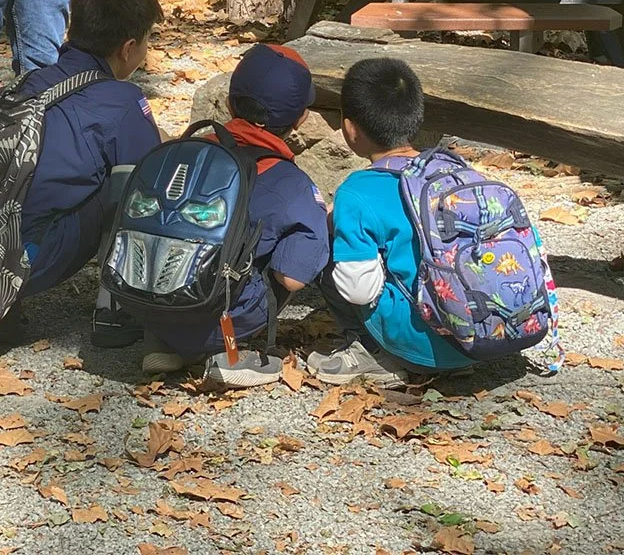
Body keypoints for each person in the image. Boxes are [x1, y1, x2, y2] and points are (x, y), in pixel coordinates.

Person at [137, 44, 330, 387]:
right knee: (293, 253)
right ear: (301, 119)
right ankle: (223, 352)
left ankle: (166, 341)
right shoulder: (292, 185)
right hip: (214, 314)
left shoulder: (185, 152)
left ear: (228, 103)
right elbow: (293, 279)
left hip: (145, 299)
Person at [0, 0, 163, 344]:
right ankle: (115, 309)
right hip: (26, 259)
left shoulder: (31, 82)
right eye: (147, 41)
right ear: (128, 48)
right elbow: (145, 188)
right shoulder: (122, 101)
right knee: (130, 185)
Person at [307, 57, 471, 386]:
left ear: (349, 128)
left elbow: (358, 291)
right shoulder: (455, 169)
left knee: (328, 251)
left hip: (425, 342)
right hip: (480, 333)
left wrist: (337, 229)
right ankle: (453, 360)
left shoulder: (357, 191)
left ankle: (376, 352)